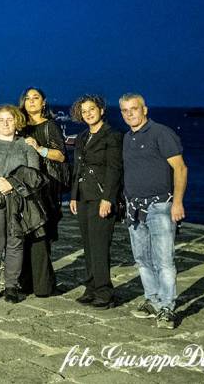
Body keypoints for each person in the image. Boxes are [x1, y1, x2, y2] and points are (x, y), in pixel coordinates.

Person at [119, 93, 188, 330]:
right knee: (142, 259)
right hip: (134, 208)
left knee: (164, 260)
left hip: (160, 206)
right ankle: (153, 300)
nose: (130, 114)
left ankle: (167, 307)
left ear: (145, 110)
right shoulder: (128, 137)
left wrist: (177, 203)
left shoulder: (161, 133)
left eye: (134, 109)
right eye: (125, 110)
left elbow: (180, 169)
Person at [0, 105, 41, 304]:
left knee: (15, 242)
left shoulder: (26, 145)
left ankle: (11, 285)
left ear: (17, 122)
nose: (5, 123)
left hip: (18, 200)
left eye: (9, 119)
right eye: (2, 119)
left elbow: (33, 171)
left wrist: (11, 183)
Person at [69, 95, 123, 310]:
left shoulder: (112, 135)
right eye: (84, 111)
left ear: (101, 110)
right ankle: (91, 287)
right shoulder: (82, 137)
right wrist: (73, 195)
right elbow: (78, 167)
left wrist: (108, 199)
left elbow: (114, 169)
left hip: (101, 198)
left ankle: (104, 292)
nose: (88, 113)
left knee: (100, 246)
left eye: (92, 109)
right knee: (88, 245)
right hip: (83, 197)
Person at [19, 87, 68, 298]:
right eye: (27, 98)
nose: (31, 101)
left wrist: (40, 149)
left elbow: (61, 156)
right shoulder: (20, 127)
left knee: (41, 234)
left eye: (35, 98)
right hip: (24, 186)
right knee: (25, 236)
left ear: (43, 102)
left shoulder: (50, 126)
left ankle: (43, 285)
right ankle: (26, 282)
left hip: (46, 187)